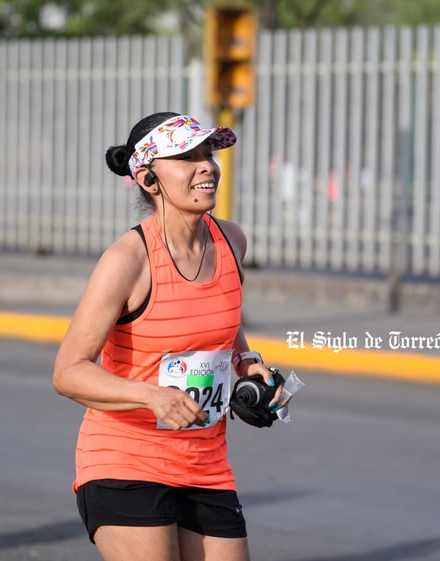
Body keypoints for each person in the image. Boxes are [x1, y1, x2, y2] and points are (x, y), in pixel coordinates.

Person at [52, 112, 287, 561]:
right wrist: (152, 397)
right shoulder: (128, 260)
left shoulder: (231, 242)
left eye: (208, 154)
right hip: (125, 461)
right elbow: (68, 372)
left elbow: (221, 317)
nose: (207, 166)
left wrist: (247, 363)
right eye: (186, 157)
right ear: (148, 179)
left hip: (205, 463)